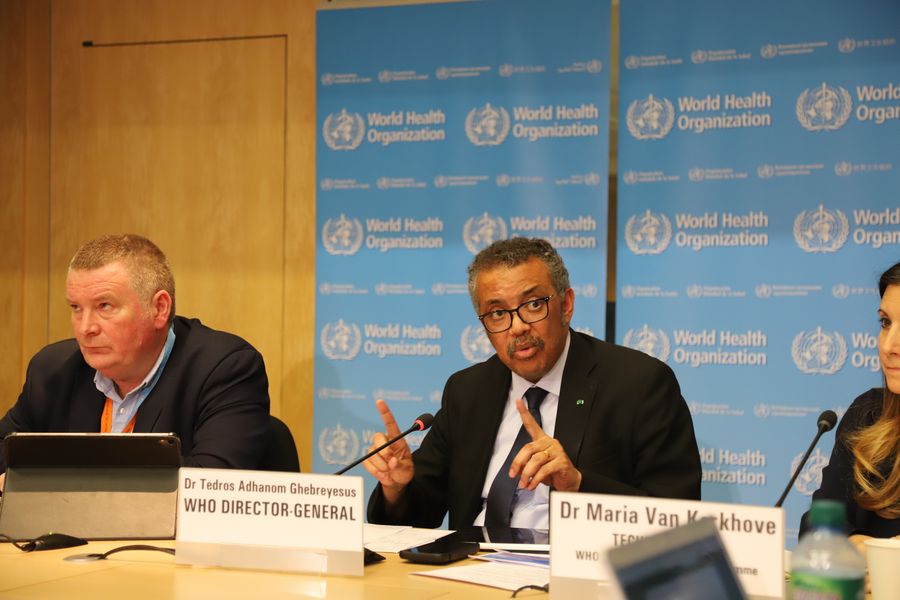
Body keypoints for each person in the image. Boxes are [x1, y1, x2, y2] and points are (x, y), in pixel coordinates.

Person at [364, 237, 700, 529]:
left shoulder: (639, 385)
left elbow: (677, 516)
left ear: (566, 305)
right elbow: (419, 516)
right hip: (471, 568)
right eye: (498, 313)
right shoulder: (468, 391)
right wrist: (396, 487)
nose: (517, 327)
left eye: (534, 304)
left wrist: (578, 484)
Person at [0, 234, 271, 474]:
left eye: (104, 306)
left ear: (159, 308)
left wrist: (50, 478)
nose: (85, 328)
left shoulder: (224, 369)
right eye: (76, 308)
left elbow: (208, 485)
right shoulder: (53, 369)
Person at [801, 261, 900, 550]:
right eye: (886, 323)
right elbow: (816, 524)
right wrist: (859, 547)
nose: (889, 346)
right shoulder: (868, 414)